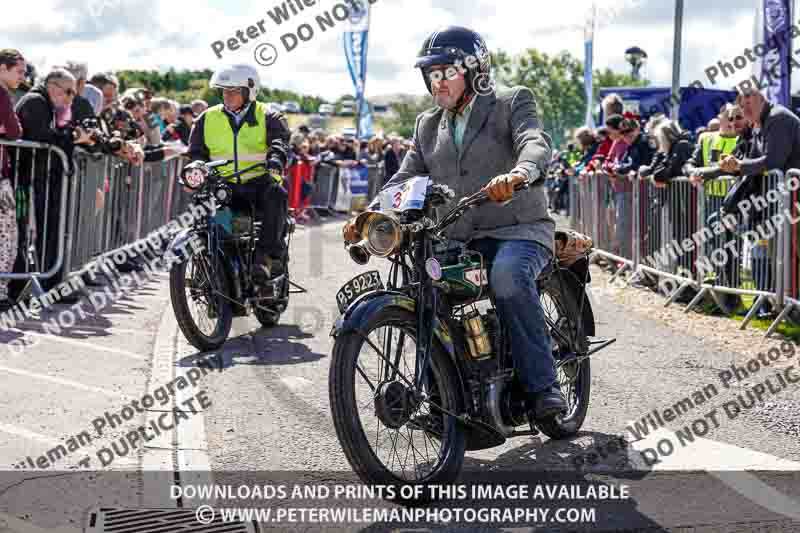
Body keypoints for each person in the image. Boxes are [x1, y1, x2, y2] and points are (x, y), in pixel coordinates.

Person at [342, 26, 565, 423]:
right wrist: (369, 215)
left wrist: (521, 173)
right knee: (422, 290)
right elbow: (403, 179)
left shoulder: (510, 102)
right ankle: (442, 397)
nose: (436, 82)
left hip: (518, 229)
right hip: (458, 238)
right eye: (431, 74)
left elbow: (534, 140)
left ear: (475, 70)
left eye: (446, 72)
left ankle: (544, 387)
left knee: (509, 278)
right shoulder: (427, 125)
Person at [188, 64, 290, 282]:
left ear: (249, 91)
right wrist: (196, 168)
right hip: (222, 186)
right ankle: (203, 269)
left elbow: (280, 143)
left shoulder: (269, 115)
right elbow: (196, 153)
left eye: (233, 90)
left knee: (277, 194)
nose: (227, 95)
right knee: (199, 209)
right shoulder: (206, 118)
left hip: (257, 183)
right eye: (224, 90)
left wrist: (275, 162)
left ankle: (265, 259)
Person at [0, 49, 25, 309]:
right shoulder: (2, 94)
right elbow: (15, 130)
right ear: (2, 69)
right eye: (18, 71)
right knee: (6, 234)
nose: (23, 76)